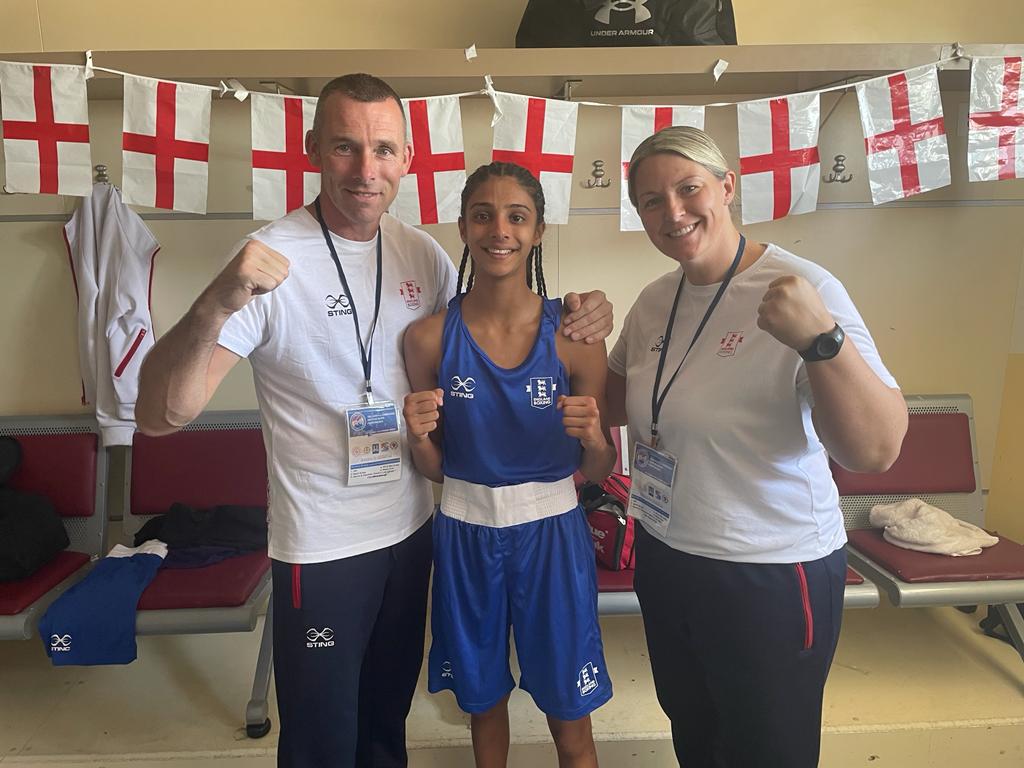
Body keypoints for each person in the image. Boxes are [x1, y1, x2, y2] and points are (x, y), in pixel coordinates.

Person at [134, 74, 614, 768]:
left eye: (382, 149)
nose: (366, 169)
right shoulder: (268, 260)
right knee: (325, 738)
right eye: (345, 147)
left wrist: (586, 306)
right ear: (312, 150)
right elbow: (160, 415)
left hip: (417, 532)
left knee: (386, 725)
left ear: (407, 159)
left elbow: (488, 324)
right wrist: (215, 300)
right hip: (324, 546)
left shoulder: (420, 252)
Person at [605, 126, 908, 768]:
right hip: (667, 554)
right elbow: (606, 401)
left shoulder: (802, 288)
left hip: (769, 569)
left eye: (689, 189)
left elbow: (877, 449)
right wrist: (571, 322)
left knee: (767, 749)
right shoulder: (655, 301)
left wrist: (821, 340)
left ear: (728, 187)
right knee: (695, 731)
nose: (674, 212)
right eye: (652, 200)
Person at [402, 162, 616, 768]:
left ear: (539, 230)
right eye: (483, 215)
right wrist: (417, 441)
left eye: (517, 216)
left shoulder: (574, 335)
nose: (500, 230)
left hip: (553, 536)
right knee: (483, 706)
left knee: (570, 716)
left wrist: (596, 436)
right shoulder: (426, 339)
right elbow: (439, 469)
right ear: (464, 227)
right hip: (465, 534)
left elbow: (598, 468)